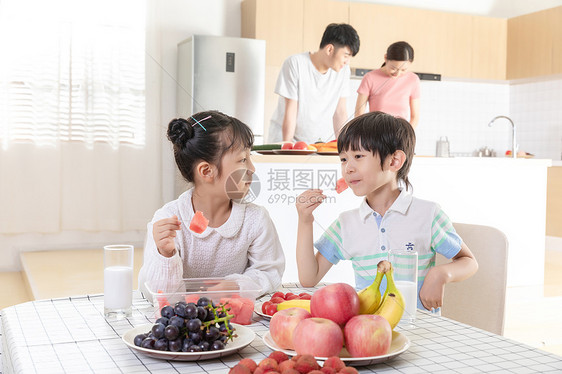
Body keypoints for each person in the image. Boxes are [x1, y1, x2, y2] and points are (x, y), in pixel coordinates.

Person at [295, 111, 478, 311]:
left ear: (394, 161)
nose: (348, 168)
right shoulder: (346, 223)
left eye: (358, 156)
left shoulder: (428, 214)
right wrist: (305, 219)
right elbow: (308, 277)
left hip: (420, 330)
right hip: (367, 328)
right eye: (343, 159)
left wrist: (440, 275)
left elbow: (468, 261)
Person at [138, 110, 285, 298]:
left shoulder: (255, 219)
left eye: (250, 157)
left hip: (234, 319)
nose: (252, 168)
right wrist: (165, 255)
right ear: (207, 171)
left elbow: (269, 272)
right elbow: (157, 295)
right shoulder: (169, 220)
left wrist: (235, 286)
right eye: (242, 160)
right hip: (184, 321)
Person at [267, 23, 360, 144]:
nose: (347, 62)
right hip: (287, 139)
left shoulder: (343, 71)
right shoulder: (295, 63)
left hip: (319, 144)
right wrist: (288, 147)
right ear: (330, 49)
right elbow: (291, 110)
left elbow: (340, 112)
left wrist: (345, 147)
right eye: (346, 55)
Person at [354, 41, 420, 129]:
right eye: (393, 68)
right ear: (385, 58)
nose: (397, 73)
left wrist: (405, 136)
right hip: (375, 133)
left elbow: (415, 117)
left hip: (400, 135)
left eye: (403, 70)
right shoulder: (370, 78)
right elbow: (359, 114)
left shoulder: (413, 80)